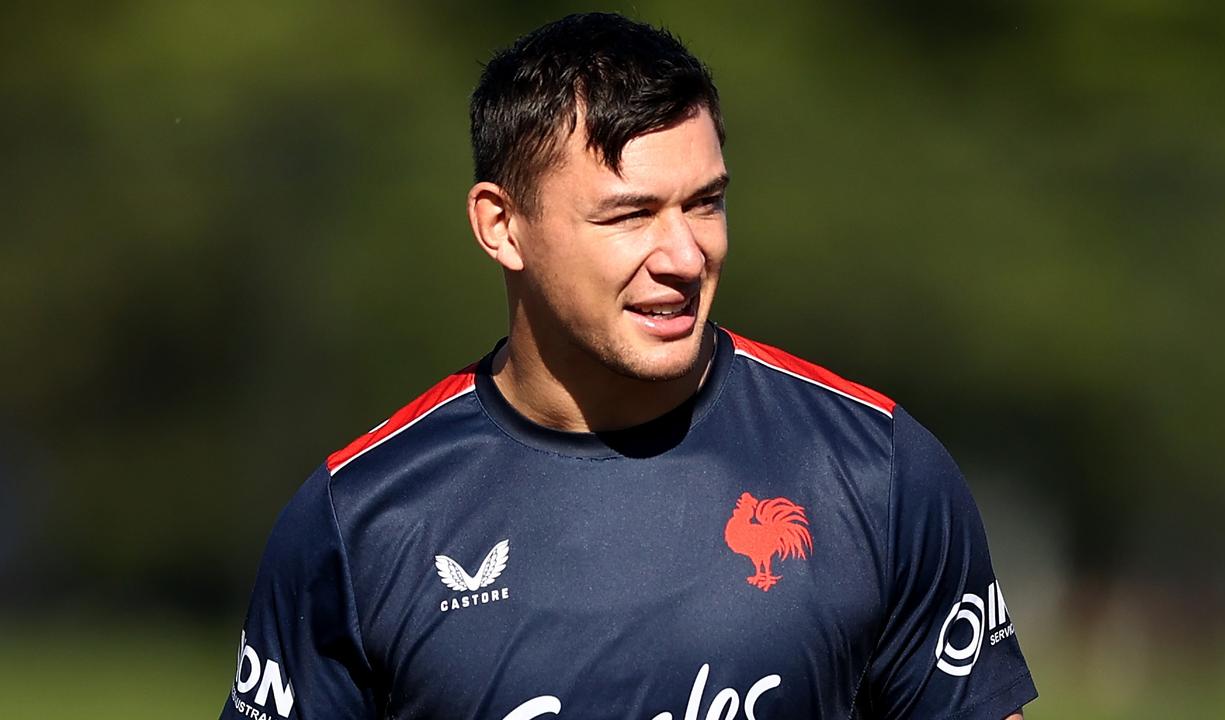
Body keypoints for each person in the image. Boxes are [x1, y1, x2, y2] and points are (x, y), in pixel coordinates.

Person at [220, 12, 1037, 720]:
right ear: (502, 226)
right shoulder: (358, 519)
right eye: (630, 214)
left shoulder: (876, 470)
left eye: (705, 203)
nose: (685, 254)